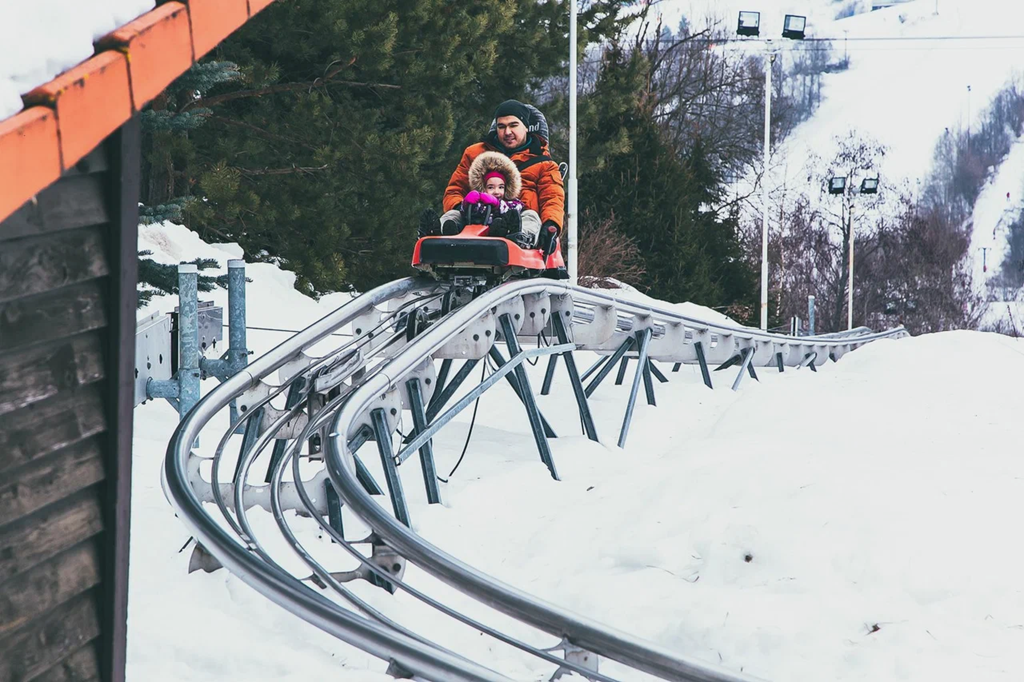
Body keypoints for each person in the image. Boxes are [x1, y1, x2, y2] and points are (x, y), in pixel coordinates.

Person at [421, 100, 564, 255]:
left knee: (531, 217)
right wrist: (463, 208)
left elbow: (552, 199)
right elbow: (454, 190)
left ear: (526, 127)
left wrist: (551, 226)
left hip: (517, 217)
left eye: (513, 125)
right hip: (475, 217)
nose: (507, 132)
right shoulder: (475, 154)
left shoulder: (544, 164)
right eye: (501, 126)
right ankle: (437, 234)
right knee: (452, 215)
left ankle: (521, 237)